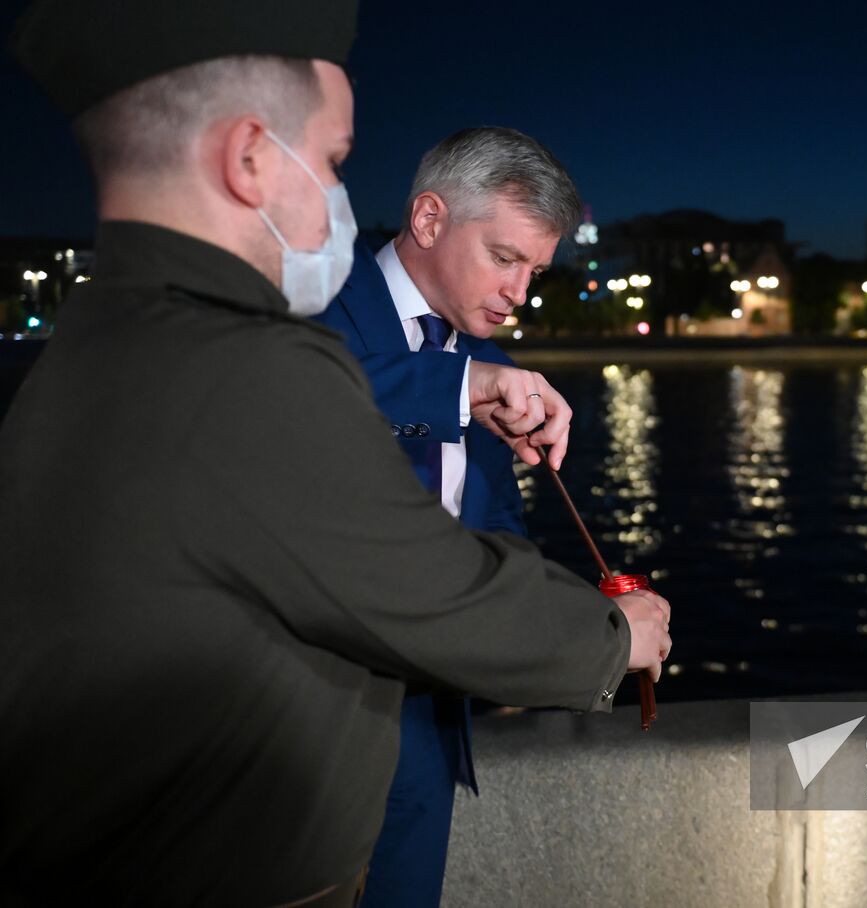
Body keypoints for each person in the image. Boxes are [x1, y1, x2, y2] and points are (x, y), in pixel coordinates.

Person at [0, 2, 670, 905]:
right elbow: (411, 565)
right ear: (248, 158)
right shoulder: (250, 354)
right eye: (333, 161)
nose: (340, 192)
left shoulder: (103, 336)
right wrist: (606, 635)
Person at [312, 126, 581, 907]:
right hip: (310, 724)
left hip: (429, 727)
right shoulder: (309, 299)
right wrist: (459, 387)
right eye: (505, 258)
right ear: (429, 220)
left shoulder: (492, 365)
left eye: (535, 270)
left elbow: (494, 532)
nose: (520, 293)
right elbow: (303, 392)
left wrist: (574, 626)